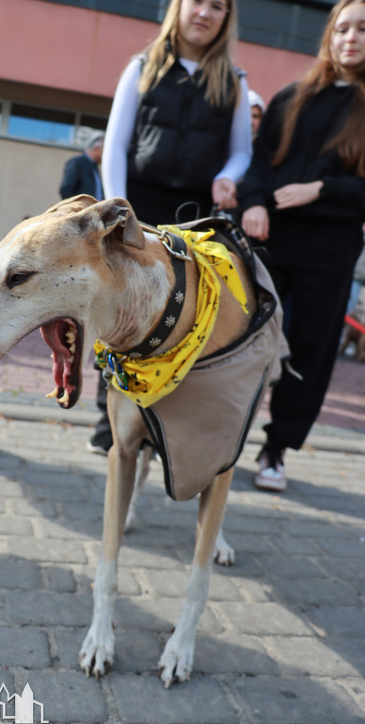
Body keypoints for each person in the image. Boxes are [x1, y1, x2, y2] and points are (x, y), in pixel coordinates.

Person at [87, 0, 252, 455]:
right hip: (139, 205)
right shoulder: (142, 67)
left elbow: (241, 150)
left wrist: (229, 177)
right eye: (197, 1)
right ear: (178, 8)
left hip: (192, 217)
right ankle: (110, 421)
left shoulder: (233, 81)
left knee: (184, 318)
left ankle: (162, 423)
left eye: (218, 6)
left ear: (226, 17)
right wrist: (120, 210)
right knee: (120, 316)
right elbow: (117, 143)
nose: (206, 12)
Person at [239, 0, 365, 491]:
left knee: (307, 353)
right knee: (244, 339)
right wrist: (253, 203)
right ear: (329, 36)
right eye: (342, 28)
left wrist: (324, 189)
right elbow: (258, 163)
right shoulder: (292, 96)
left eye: (362, 29)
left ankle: (276, 449)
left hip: (330, 250)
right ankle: (222, 433)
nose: (351, 37)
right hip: (271, 238)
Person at [59, 132, 105, 201]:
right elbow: (66, 189)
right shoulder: (77, 163)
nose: (105, 155)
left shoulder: (95, 169)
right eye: (104, 150)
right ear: (96, 148)